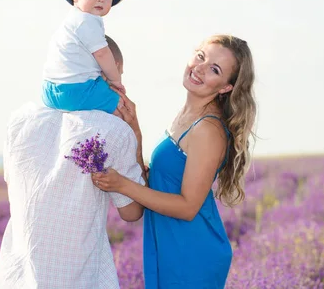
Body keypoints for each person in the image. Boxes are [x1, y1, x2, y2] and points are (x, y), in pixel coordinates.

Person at [93, 34, 257, 288]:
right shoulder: (185, 115)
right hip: (170, 242)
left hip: (191, 252)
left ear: (225, 87)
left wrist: (122, 185)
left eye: (214, 69)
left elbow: (187, 207)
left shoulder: (207, 130)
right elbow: (158, 185)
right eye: (201, 56)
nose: (200, 68)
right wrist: (135, 132)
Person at [0, 37, 146, 289]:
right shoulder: (113, 130)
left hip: (17, 276)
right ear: (112, 67)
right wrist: (135, 134)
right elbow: (131, 212)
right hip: (79, 276)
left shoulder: (19, 121)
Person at [41, 0, 128, 114]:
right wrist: (115, 80)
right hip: (75, 90)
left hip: (49, 90)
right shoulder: (87, 20)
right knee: (119, 104)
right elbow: (102, 54)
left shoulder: (70, 21)